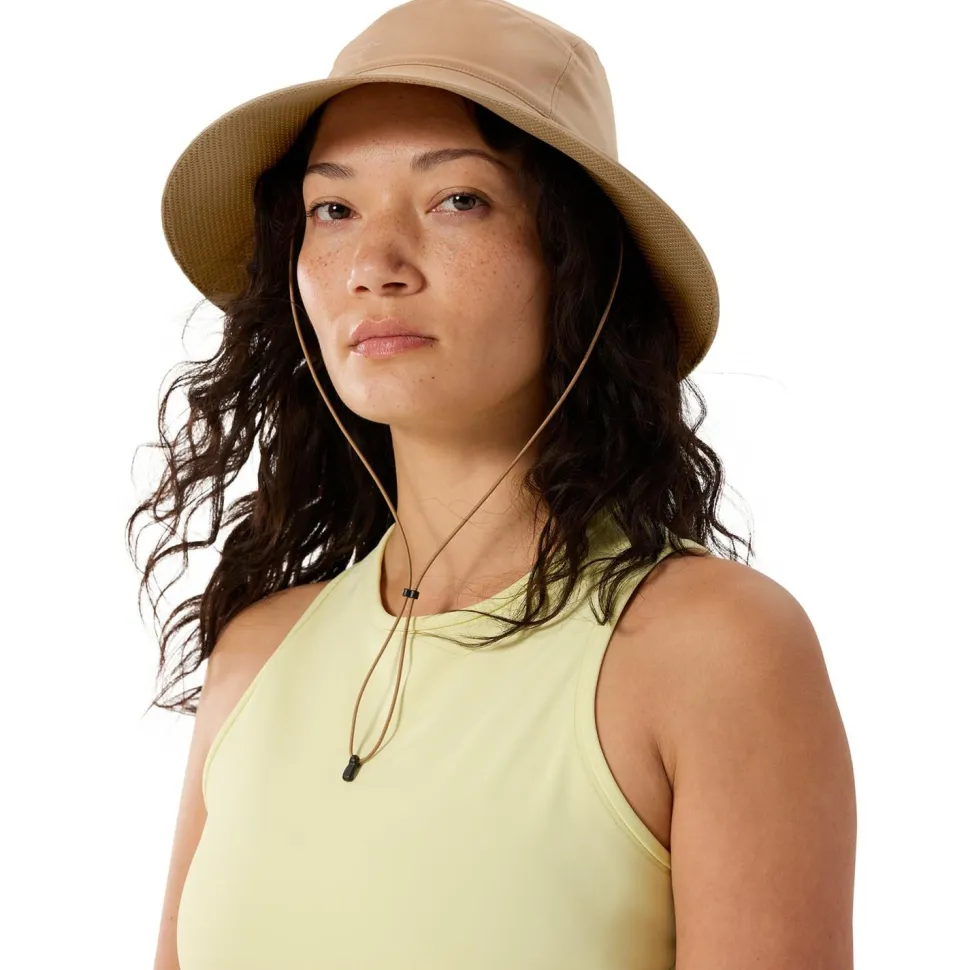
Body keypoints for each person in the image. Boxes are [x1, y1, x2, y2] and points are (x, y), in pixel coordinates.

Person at [134, 1, 856, 968]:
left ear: (577, 256)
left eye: (457, 200)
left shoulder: (713, 650)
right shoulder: (256, 658)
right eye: (333, 210)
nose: (373, 266)